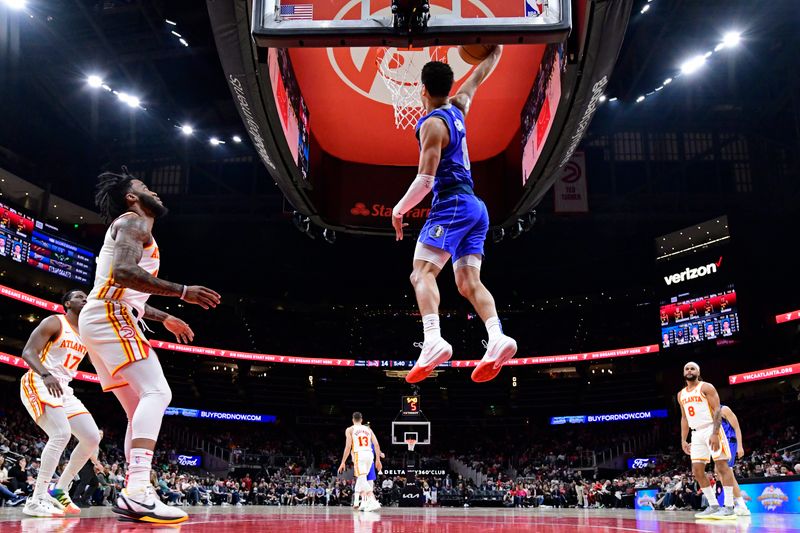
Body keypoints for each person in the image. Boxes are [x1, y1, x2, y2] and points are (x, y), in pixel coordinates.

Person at [79, 169, 220, 524]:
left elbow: (128, 292)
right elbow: (124, 273)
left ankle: (135, 491)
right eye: (144, 188)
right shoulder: (133, 222)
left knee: (137, 408)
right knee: (158, 392)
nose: (154, 191)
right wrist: (182, 292)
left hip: (106, 313)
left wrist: (163, 318)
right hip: (110, 314)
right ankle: (139, 490)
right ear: (131, 197)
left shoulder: (134, 228)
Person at [391, 46, 517, 384]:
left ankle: (432, 339)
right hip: (477, 208)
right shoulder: (460, 104)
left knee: (421, 274)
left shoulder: (432, 124)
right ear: (447, 88)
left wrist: (398, 209)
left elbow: (425, 180)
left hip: (453, 204)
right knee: (467, 282)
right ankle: (497, 337)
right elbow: (480, 74)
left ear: (422, 90)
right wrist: (497, 48)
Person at [18, 290, 102, 517]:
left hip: (64, 388)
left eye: (87, 297)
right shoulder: (55, 321)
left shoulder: (85, 333)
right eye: (80, 297)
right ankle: (35, 499)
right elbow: (28, 352)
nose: (85, 300)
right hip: (39, 380)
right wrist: (46, 375)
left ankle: (59, 490)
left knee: (92, 437)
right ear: (67, 303)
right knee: (61, 434)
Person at [678, 362, 737, 520]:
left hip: (711, 428)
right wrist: (684, 439)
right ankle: (713, 505)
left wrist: (715, 433)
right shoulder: (681, 394)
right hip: (695, 433)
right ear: (684, 373)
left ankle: (730, 506)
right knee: (697, 471)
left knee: (722, 466)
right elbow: (684, 418)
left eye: (692, 368)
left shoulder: (706, 387)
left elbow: (718, 410)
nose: (689, 371)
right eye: (687, 369)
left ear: (698, 371)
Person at [338, 412, 382, 511]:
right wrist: (378, 459)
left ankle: (373, 501)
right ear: (361, 420)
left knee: (362, 478)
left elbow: (348, 446)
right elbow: (376, 445)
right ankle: (364, 502)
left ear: (353, 419)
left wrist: (343, 462)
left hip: (360, 454)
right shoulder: (368, 429)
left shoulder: (350, 429)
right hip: (370, 455)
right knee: (363, 479)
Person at [715, 405, 750, 516]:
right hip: (718, 444)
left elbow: (737, 427)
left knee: (727, 472)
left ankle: (740, 505)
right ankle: (735, 503)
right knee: (718, 471)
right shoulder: (706, 412)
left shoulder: (724, 409)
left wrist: (740, 446)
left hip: (729, 441)